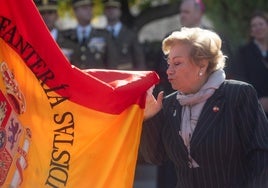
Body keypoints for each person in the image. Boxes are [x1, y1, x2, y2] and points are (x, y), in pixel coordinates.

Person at [140, 27, 268, 188]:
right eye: (168, 63)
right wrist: (149, 117)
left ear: (202, 65)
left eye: (177, 63)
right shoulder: (169, 104)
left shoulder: (238, 94)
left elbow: (261, 154)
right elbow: (155, 157)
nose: (169, 71)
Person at [61, 0, 118, 69]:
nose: (89, 10)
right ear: (75, 11)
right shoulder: (65, 37)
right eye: (84, 8)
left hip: (97, 79)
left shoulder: (104, 35)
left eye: (90, 7)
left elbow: (112, 64)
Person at [233, 10, 268, 118]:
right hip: (253, 109)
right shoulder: (243, 52)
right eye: (254, 26)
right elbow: (241, 79)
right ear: (251, 31)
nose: (258, 28)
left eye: (261, 24)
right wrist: (257, 101)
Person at [103, 0, 146, 70]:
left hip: (127, 76)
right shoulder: (100, 35)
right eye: (108, 8)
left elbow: (139, 61)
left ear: (120, 11)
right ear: (104, 12)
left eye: (114, 8)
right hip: (106, 77)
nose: (111, 11)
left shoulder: (130, 34)